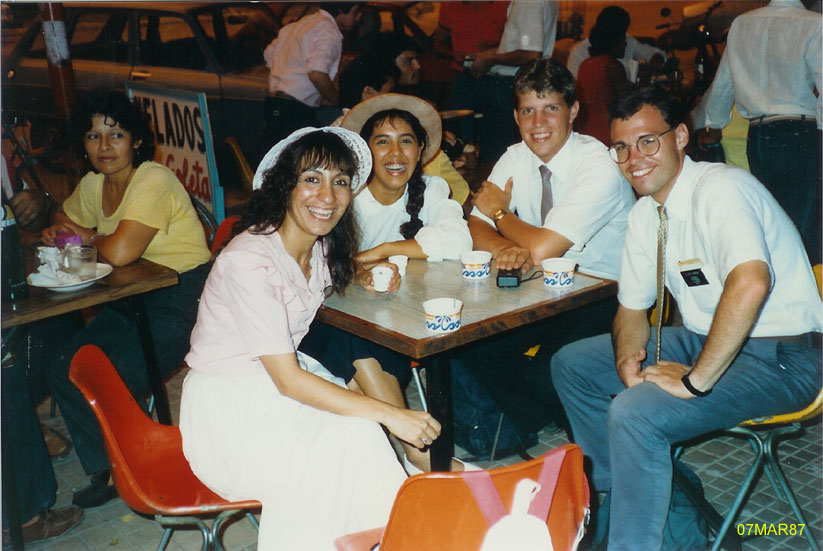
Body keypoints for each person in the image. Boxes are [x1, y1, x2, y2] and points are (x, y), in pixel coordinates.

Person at [551, 86, 822, 550]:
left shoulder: (721, 189)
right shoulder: (646, 214)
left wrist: (695, 381)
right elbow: (632, 309)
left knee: (635, 415)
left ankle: (633, 543)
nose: (634, 158)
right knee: (572, 366)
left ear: (680, 137)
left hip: (785, 359)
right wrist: (627, 361)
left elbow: (751, 282)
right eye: (621, 147)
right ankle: (635, 501)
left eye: (647, 141)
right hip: (707, 341)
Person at [179, 127, 413, 550]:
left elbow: (323, 278)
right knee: (335, 452)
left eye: (340, 182)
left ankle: (386, 539)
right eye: (312, 179)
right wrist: (392, 414)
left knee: (357, 440)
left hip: (272, 391)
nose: (328, 196)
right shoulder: (249, 261)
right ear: (285, 185)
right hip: (230, 412)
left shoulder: (317, 248)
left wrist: (362, 273)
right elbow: (288, 380)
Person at [41, 89, 212, 508]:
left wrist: (81, 238)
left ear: (136, 140)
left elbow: (120, 252)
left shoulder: (153, 178)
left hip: (183, 297)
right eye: (93, 136)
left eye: (115, 135)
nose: (104, 147)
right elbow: (62, 218)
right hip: (129, 298)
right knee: (65, 366)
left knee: (108, 380)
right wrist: (68, 231)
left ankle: (138, 460)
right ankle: (107, 470)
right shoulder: (94, 183)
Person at [459, 57, 634, 441]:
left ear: (573, 111)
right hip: (542, 292)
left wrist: (502, 214)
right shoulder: (515, 156)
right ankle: (534, 416)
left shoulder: (598, 165)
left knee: (554, 368)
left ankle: (567, 417)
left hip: (605, 294)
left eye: (550, 109)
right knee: (466, 348)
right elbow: (474, 225)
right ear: (516, 116)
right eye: (528, 111)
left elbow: (543, 247)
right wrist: (509, 246)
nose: (538, 124)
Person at [299, 94, 472, 473]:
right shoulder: (344, 195)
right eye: (382, 141)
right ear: (364, 151)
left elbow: (460, 240)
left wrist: (385, 249)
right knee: (350, 335)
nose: (396, 153)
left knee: (359, 368)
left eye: (406, 140)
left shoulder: (432, 190)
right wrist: (356, 268)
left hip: (390, 327)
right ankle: (416, 444)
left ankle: (397, 459)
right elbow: (312, 261)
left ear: (421, 148)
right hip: (321, 325)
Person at [690, 0, 821, 264]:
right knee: (805, 230)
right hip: (799, 133)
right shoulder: (815, 24)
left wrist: (714, 124)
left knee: (774, 226)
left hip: (758, 137)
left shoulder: (742, 23)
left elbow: (724, 81)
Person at [435, 1, 558, 162]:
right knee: (490, 148)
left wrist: (491, 58)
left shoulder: (528, 3)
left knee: (497, 155)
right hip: (497, 81)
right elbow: (525, 45)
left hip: (507, 84)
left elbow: (531, 53)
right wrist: (496, 50)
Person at [259, 3, 360, 159]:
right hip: (295, 110)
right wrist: (339, 100)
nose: (357, 18)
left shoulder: (298, 25)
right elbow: (317, 74)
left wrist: (288, 73)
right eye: (355, 12)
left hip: (274, 103)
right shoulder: (329, 31)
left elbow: (269, 54)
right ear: (342, 8)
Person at [566, 5, 666, 80]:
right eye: (622, 35)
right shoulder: (579, 54)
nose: (626, 42)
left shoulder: (627, 42)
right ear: (613, 39)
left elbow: (654, 53)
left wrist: (655, 62)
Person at [576, 18, 633, 145]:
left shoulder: (585, 64)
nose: (626, 44)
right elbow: (626, 103)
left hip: (584, 130)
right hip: (606, 133)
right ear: (613, 42)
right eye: (623, 40)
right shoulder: (613, 66)